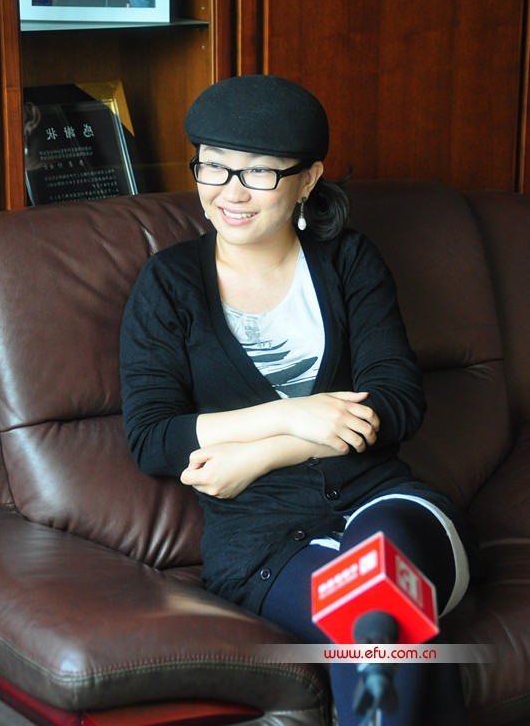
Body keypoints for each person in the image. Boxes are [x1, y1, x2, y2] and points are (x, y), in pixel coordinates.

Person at [120, 74, 480, 725]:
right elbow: (152, 437)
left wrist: (264, 453)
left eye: (258, 172)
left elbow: (398, 399)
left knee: (378, 605)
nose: (230, 191)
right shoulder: (169, 284)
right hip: (262, 545)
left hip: (389, 506)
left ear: (307, 180)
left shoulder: (348, 261)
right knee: (376, 628)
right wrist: (292, 413)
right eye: (213, 166)